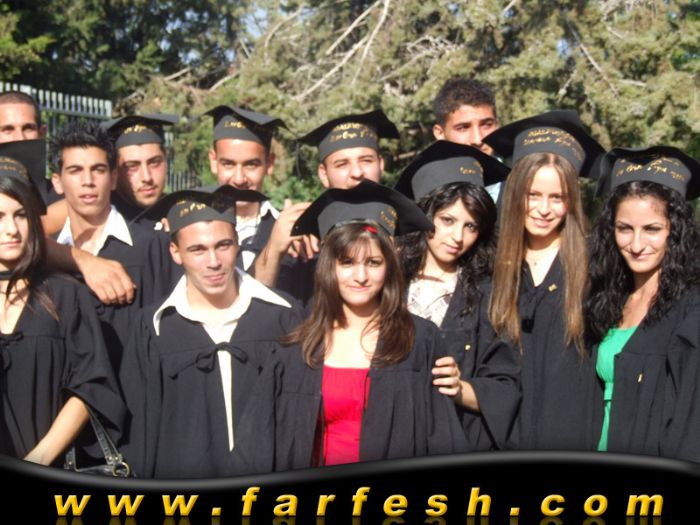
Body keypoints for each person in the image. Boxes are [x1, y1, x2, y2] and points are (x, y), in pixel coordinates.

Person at [235, 180, 469, 473]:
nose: (361, 276)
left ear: (389, 265)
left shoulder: (418, 340)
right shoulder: (297, 346)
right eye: (347, 262)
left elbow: (442, 439)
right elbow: (258, 443)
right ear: (329, 266)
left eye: (373, 262)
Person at [118, 185, 303, 478]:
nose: (213, 262)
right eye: (198, 250)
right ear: (175, 252)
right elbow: (141, 434)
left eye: (223, 245)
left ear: (237, 243)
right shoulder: (154, 328)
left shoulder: (283, 316)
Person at [484, 110, 605, 450]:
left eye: (557, 198)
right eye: (533, 195)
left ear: (571, 201)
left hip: (573, 437)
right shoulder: (491, 263)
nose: (544, 209)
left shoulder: (596, 265)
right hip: (504, 441)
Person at [0, 142, 124, 466]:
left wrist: (39, 459)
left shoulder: (66, 295)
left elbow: (92, 385)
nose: (11, 229)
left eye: (21, 215)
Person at [394, 140, 520, 450]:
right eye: (447, 220)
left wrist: (459, 387)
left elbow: (506, 386)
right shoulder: (388, 283)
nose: (458, 237)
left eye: (471, 226)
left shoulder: (489, 293)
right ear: (424, 214)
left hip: (458, 440)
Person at [586, 146, 700, 460]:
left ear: (676, 231)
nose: (636, 245)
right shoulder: (608, 300)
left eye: (652, 229)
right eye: (625, 228)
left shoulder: (691, 309)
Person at [50, 119, 177, 368]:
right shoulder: (48, 255)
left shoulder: (153, 247)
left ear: (114, 177)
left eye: (98, 169)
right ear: (57, 181)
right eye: (75, 170)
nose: (88, 180)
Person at [0, 91, 137, 306]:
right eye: (7, 129)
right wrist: (84, 262)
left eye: (28, 128)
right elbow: (33, 234)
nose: (20, 138)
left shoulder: (61, 192)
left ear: (42, 133)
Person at [254, 109, 400, 302]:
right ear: (324, 174)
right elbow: (258, 307)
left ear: (381, 165)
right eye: (342, 164)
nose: (357, 173)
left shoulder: (406, 228)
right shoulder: (304, 239)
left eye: (366, 160)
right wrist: (274, 249)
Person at [205, 105, 285, 270]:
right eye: (228, 164)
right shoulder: (190, 229)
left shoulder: (287, 233)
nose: (239, 179)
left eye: (251, 164)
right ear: (213, 161)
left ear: (269, 164)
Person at [432, 77, 502, 204]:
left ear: (497, 126)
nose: (478, 140)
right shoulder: (425, 194)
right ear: (440, 133)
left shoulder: (523, 183)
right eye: (463, 128)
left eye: (487, 125)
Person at [103, 113, 179, 224]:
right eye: (132, 166)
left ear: (165, 159)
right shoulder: (103, 222)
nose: (147, 177)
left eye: (154, 162)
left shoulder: (179, 214)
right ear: (114, 171)